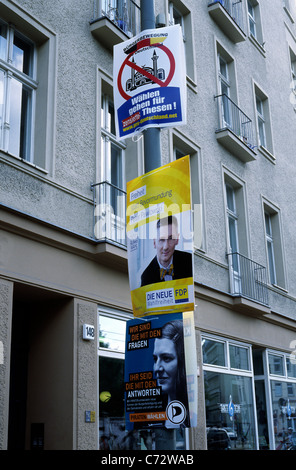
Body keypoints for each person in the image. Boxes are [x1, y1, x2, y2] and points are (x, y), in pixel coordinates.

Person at [152, 319, 190, 427]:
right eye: (155, 359)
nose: (157, 368)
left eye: (166, 358)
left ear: (183, 362)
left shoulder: (192, 412)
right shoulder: (152, 412)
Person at [140, 215, 192, 287]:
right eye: (161, 239)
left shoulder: (189, 262)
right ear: (154, 242)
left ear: (177, 240)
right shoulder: (146, 277)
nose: (166, 247)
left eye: (170, 238)